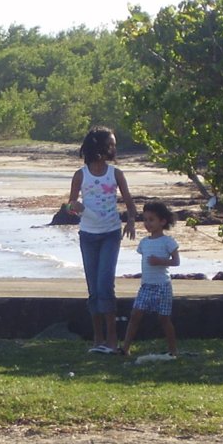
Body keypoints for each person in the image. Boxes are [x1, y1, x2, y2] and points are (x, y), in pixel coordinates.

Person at [66, 126, 137, 353]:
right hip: (88, 235)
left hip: (110, 233)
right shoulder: (80, 175)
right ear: (101, 147)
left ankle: (113, 338)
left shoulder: (115, 173)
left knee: (105, 284)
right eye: (112, 144)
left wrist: (132, 221)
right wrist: (74, 208)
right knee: (94, 288)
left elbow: (129, 201)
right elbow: (70, 206)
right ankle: (98, 338)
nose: (115, 148)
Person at [120, 202, 180, 359]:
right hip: (146, 285)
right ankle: (125, 347)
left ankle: (173, 350)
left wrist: (160, 261)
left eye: (151, 220)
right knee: (135, 315)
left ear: (162, 221)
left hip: (162, 285)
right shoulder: (144, 243)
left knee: (164, 318)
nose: (147, 224)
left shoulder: (168, 242)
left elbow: (176, 262)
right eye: (145, 220)